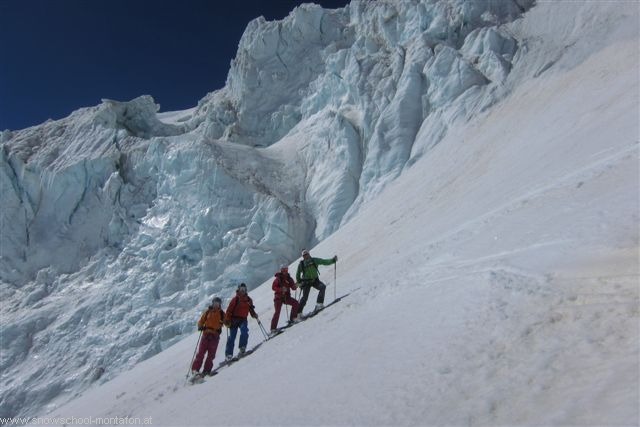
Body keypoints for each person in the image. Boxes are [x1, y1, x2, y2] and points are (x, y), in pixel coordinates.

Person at [296, 249, 337, 315]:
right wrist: (299, 282)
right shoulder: (301, 264)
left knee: (322, 287)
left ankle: (319, 304)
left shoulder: (314, 260)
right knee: (304, 298)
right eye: (304, 255)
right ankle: (298, 313)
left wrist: (332, 260)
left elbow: (324, 261)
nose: (306, 256)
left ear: (309, 254)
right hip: (306, 282)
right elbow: (297, 274)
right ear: (303, 256)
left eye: (306, 254)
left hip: (315, 280)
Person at [191, 297, 225, 377]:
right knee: (201, 353)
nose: (216, 305)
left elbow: (226, 321)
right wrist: (200, 326)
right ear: (212, 303)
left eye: (217, 304)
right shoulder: (207, 312)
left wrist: (228, 323)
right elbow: (201, 321)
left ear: (220, 304)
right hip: (206, 335)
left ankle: (207, 370)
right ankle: (195, 370)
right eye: (215, 303)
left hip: (215, 336)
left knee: (211, 355)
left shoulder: (222, 314)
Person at [224, 283, 258, 361]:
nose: (242, 291)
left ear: (246, 290)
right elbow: (229, 310)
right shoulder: (235, 299)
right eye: (241, 289)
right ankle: (229, 354)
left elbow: (251, 309)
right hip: (234, 320)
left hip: (243, 319)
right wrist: (227, 319)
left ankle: (242, 348)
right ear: (239, 290)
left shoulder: (248, 300)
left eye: (244, 289)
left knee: (244, 331)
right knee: (232, 336)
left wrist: (254, 315)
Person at [270, 265, 300, 333]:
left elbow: (293, 287)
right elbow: (273, 287)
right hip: (278, 298)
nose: (285, 271)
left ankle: (293, 318)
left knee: (296, 303)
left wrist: (296, 286)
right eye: (283, 270)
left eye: (286, 270)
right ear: (281, 270)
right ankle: (273, 329)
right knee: (277, 312)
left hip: (286, 297)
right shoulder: (278, 279)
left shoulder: (289, 278)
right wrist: (281, 289)